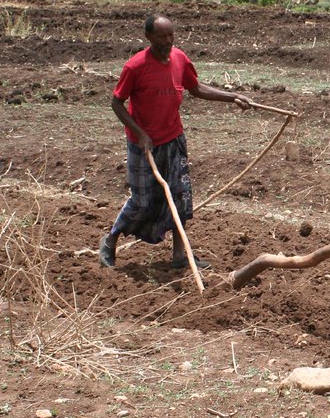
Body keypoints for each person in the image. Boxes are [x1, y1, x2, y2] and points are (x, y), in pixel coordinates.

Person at [98, 14, 253, 270]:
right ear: (148, 37)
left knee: (180, 199)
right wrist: (140, 133)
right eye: (161, 36)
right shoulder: (135, 67)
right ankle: (110, 241)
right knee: (142, 201)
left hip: (173, 139)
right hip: (143, 144)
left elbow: (196, 88)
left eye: (170, 35)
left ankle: (180, 255)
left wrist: (232, 96)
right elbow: (117, 103)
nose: (167, 41)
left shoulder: (180, 59)